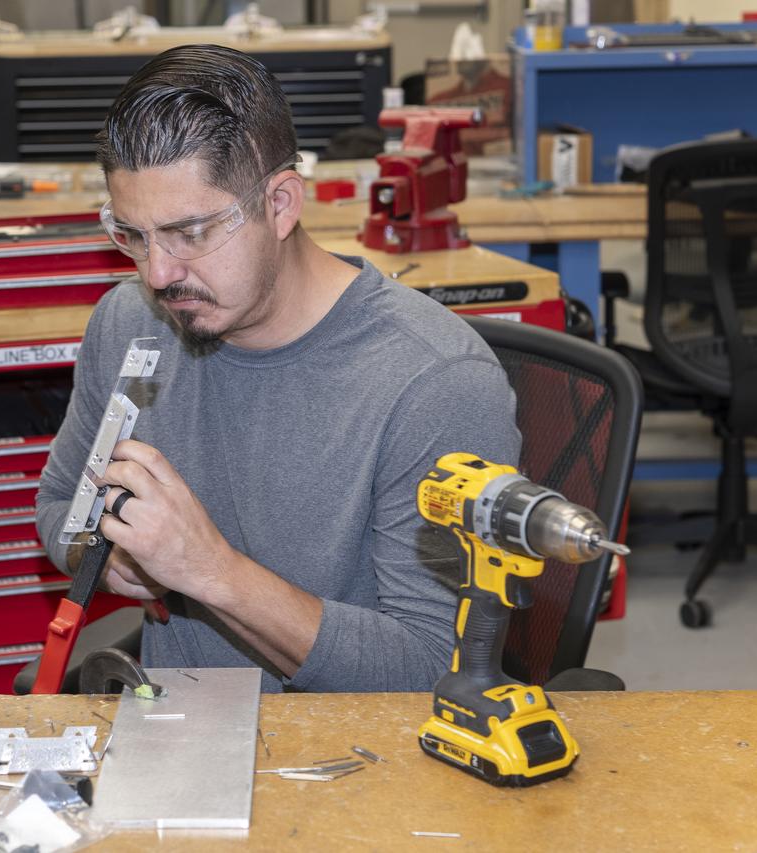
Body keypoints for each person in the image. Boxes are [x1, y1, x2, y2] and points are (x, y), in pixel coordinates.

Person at [34, 44, 520, 693]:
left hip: (369, 765)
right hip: (183, 735)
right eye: (133, 235)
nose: (157, 272)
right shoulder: (131, 322)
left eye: (190, 233)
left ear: (282, 203)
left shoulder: (433, 381)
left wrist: (211, 571)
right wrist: (106, 551)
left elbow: (434, 669)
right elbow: (61, 504)